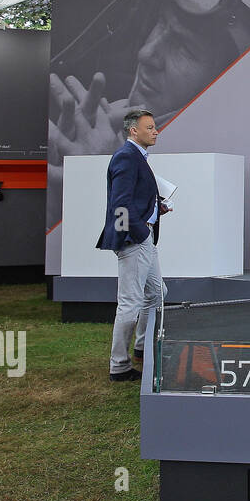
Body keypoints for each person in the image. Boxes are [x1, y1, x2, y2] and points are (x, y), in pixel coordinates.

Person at [96, 109, 171, 381]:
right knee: (130, 303)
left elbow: (132, 200)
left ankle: (141, 348)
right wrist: (138, 233)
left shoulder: (136, 157)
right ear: (133, 131)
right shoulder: (127, 157)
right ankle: (119, 365)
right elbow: (120, 204)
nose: (156, 131)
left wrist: (155, 209)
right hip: (136, 240)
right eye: (150, 127)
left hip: (143, 237)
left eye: (154, 127)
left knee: (156, 293)